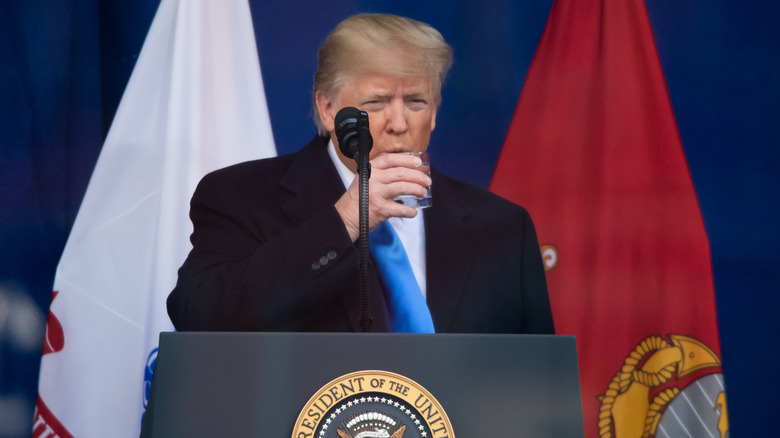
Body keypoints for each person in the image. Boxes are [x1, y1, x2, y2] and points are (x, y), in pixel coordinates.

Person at [167, 13, 554, 334]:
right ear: (328, 109)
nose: (399, 122)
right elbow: (201, 318)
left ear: (435, 112)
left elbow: (535, 380)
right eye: (377, 102)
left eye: (416, 101)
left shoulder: (502, 225)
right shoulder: (241, 196)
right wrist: (347, 219)